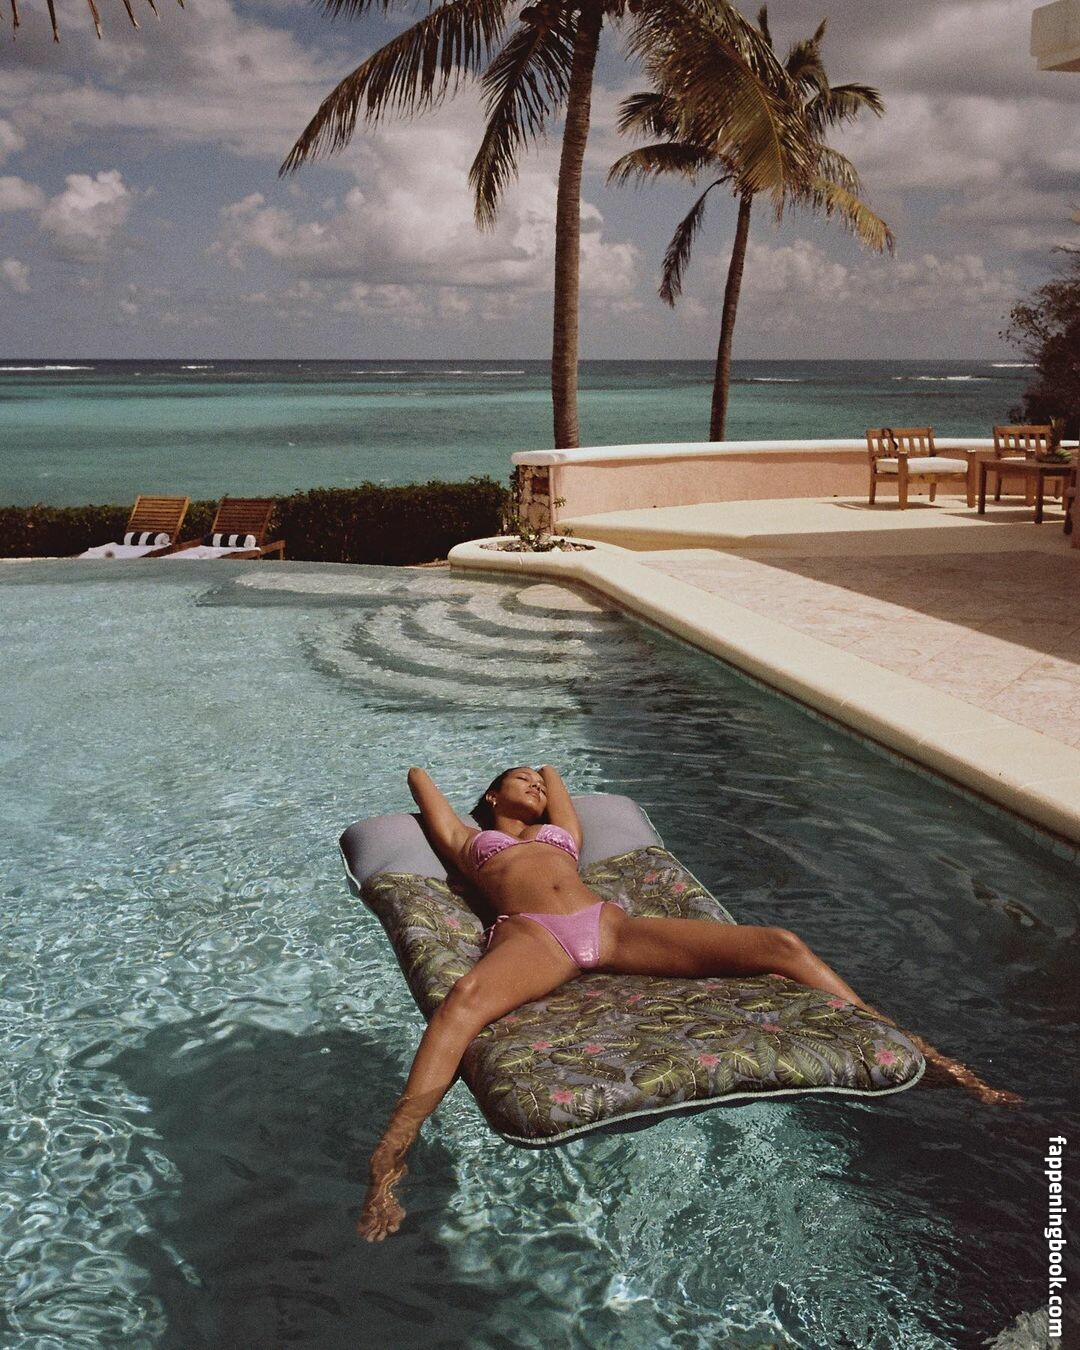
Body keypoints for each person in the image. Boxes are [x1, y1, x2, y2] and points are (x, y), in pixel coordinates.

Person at [359, 764, 1020, 1241]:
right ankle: (390, 1158)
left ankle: (920, 1051)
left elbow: (558, 787)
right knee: (463, 1002)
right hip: (535, 936)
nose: (537, 786)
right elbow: (421, 783)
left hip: (609, 927)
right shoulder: (473, 846)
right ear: (490, 795)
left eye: (539, 782)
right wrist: (479, 787)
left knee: (781, 944)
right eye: (521, 782)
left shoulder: (562, 836)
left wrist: (543, 772)